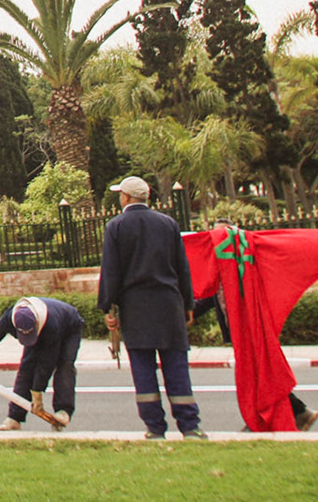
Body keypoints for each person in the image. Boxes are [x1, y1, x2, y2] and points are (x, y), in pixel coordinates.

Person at [97, 175, 205, 440]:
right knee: (177, 367)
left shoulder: (116, 226)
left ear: (125, 197)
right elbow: (182, 268)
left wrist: (107, 309)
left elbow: (111, 272)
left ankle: (155, 427)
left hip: (136, 308)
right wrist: (188, 303)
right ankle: (189, 426)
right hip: (169, 304)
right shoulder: (168, 224)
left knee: (144, 370)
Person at [0, 295, 82, 431]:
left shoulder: (51, 325)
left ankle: (63, 410)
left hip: (69, 328)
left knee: (64, 364)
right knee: (26, 369)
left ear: (35, 324)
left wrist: (37, 393)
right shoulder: (9, 318)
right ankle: (14, 418)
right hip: (43, 328)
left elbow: (46, 363)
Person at [192, 289, 318, 431]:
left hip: (249, 326)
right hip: (238, 329)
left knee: (258, 375)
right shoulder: (223, 274)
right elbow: (209, 297)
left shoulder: (237, 269)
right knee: (258, 375)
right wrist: (184, 311)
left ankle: (270, 418)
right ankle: (296, 411)